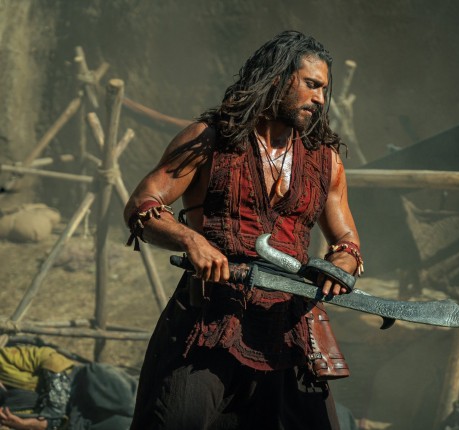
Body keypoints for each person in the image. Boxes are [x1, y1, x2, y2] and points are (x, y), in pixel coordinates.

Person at [123, 30, 362, 429]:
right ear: (277, 78)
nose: (321, 98)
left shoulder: (325, 160)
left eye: (324, 89)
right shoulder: (210, 139)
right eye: (311, 85)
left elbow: (348, 242)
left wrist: (340, 265)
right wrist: (191, 240)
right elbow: (142, 206)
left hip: (290, 329)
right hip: (211, 322)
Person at [0, 344, 136, 430]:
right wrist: (32, 425)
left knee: (130, 402)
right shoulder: (6, 416)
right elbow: (46, 425)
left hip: (82, 383)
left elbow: (47, 356)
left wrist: (56, 405)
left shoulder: (3, 361)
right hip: (75, 420)